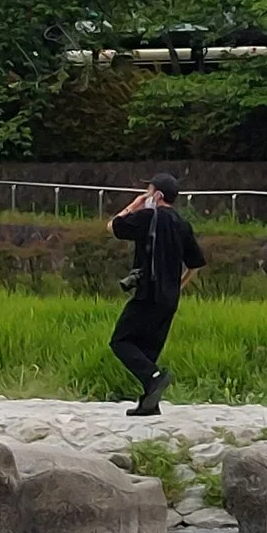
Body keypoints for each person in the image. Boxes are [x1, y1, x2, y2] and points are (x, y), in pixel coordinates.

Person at [108, 172, 206, 416]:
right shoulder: (182, 224)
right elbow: (195, 264)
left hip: (147, 295)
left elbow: (113, 226)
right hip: (169, 299)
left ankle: (154, 377)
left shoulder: (148, 216)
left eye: (149, 191)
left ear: (158, 195)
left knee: (121, 341)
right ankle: (149, 403)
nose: (146, 195)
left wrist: (134, 205)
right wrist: (177, 285)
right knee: (148, 350)